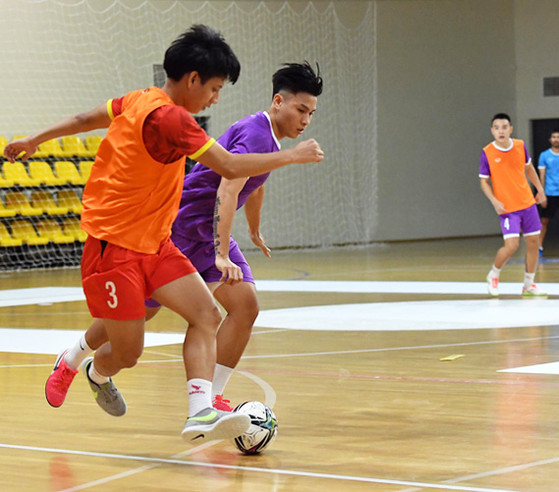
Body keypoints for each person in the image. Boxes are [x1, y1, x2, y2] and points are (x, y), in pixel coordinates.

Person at [4, 25, 324, 443]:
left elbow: (86, 118)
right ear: (192, 80)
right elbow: (229, 169)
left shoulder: (139, 98)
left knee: (208, 314)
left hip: (157, 243)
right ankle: (77, 363)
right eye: (213, 88)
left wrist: (34, 139)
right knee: (128, 351)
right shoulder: (173, 120)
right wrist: (293, 157)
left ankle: (200, 412)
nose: (216, 99)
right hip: (115, 248)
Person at [480, 113, 547, 297]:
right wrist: (494, 200)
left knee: (533, 242)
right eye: (497, 127)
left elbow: (529, 168)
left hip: (527, 203)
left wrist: (540, 189)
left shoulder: (519, 146)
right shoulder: (487, 152)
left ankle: (529, 285)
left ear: (510, 129)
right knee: (512, 245)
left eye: (504, 127)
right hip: (508, 208)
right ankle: (494, 274)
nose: (501, 131)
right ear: (492, 131)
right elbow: (484, 181)